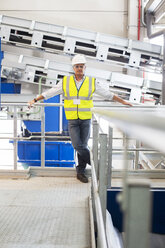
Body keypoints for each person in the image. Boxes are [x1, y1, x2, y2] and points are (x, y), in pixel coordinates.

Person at [28, 54, 132, 183]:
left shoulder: (91, 82)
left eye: (81, 66)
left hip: (86, 119)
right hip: (72, 120)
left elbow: (107, 94)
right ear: (73, 68)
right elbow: (50, 92)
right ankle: (100, 166)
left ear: (85, 67)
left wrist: (123, 102)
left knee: (82, 145)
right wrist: (34, 99)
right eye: (77, 66)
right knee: (77, 145)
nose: (79, 69)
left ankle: (80, 172)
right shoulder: (65, 81)